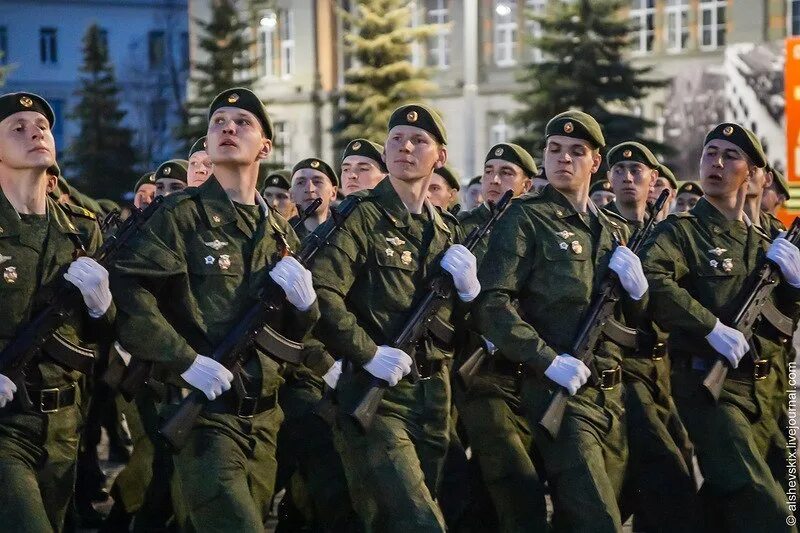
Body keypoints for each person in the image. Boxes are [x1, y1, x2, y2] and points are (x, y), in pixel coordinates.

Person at [111, 87, 320, 532]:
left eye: (242, 122)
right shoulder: (180, 215)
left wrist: (306, 307)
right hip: (204, 416)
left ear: (265, 146)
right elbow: (129, 295)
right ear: (206, 145)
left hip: (264, 421)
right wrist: (184, 360)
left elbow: (293, 336)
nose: (228, 127)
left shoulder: (281, 234)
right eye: (218, 122)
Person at [473, 110, 647, 532]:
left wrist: (639, 293)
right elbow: (493, 304)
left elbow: (629, 319)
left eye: (576, 151)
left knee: (601, 511)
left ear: (595, 162)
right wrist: (548, 360)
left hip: (610, 394)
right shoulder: (524, 217)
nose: (563, 159)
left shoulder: (612, 229)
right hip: (555, 392)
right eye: (554, 150)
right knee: (597, 518)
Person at [310, 103, 479, 532]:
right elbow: (323, 293)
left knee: (392, 517)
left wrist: (468, 293)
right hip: (375, 393)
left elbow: (459, 327)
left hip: (433, 395)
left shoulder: (447, 230)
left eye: (419, 141)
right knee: (416, 520)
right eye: (396, 139)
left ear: (439, 156)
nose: (405, 147)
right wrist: (367, 353)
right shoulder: (359, 215)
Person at [641, 122, 799, 532]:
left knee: (738, 498)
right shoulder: (681, 232)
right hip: (709, 387)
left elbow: (787, 320)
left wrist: (796, 285)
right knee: (762, 502)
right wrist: (708, 325)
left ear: (753, 175)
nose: (716, 163)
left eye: (731, 157)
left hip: (769, 389)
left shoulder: (770, 240)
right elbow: (653, 281)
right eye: (710, 153)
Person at [0, 91, 114, 531]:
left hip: (65, 424)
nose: (35, 133)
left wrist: (102, 305)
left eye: (42, 127)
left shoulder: (83, 229)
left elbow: (104, 335)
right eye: (18, 128)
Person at [604, 141, 697, 531]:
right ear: (607, 180)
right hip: (624, 367)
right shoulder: (600, 229)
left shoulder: (668, 234)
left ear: (654, 181)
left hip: (667, 367)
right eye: (619, 172)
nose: (627, 178)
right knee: (665, 470)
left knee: (678, 456)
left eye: (636, 171)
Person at [453, 142, 546, 532]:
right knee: (511, 472)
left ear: (526, 184)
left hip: (534, 372)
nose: (494, 180)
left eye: (506, 173)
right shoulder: (462, 228)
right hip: (483, 372)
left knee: (501, 476)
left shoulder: (539, 227)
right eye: (489, 170)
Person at [289, 157, 339, 240]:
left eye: (317, 182)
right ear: (291, 195)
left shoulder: (347, 232)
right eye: (300, 183)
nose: (309, 189)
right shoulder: (283, 237)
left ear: (333, 193)